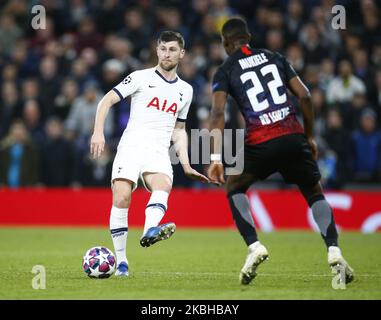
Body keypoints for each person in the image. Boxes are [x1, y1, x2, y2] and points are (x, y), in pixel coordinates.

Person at [207, 18, 354, 285]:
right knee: (314, 192)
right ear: (249, 36)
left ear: (226, 43)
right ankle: (334, 250)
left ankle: (254, 246)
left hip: (260, 142)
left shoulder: (226, 69)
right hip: (292, 137)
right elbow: (306, 96)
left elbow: (218, 113)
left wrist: (215, 158)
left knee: (234, 187)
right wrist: (309, 137)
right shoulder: (275, 57)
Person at [90, 31, 209, 277]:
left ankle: (149, 230)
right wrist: (98, 132)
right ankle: (121, 263)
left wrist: (186, 165)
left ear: (182, 53)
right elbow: (106, 101)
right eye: (163, 49)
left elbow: (179, 130)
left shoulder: (186, 91)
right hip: (132, 145)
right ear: (157, 51)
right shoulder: (139, 77)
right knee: (122, 197)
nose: (167, 54)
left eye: (172, 49)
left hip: (158, 149)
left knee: (163, 184)